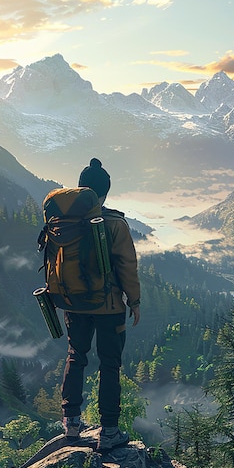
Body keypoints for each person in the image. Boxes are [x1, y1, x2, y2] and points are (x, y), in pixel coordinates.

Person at [61, 158, 141, 451]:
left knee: (75, 356)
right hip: (108, 308)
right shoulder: (115, 224)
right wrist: (135, 301)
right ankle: (108, 431)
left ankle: (70, 423)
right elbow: (127, 267)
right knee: (110, 364)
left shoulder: (64, 220)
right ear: (105, 192)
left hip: (73, 303)